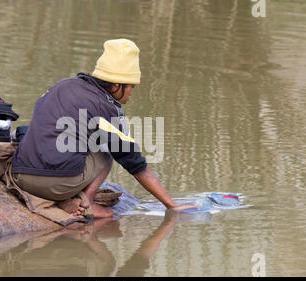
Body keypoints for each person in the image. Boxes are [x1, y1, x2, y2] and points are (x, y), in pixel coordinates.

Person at [11, 38, 197, 218]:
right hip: (55, 186)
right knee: (106, 150)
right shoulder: (107, 109)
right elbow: (136, 165)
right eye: (131, 87)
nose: (131, 94)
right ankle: (86, 203)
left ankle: (64, 197)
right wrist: (172, 205)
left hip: (21, 176)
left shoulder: (63, 85)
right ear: (117, 85)